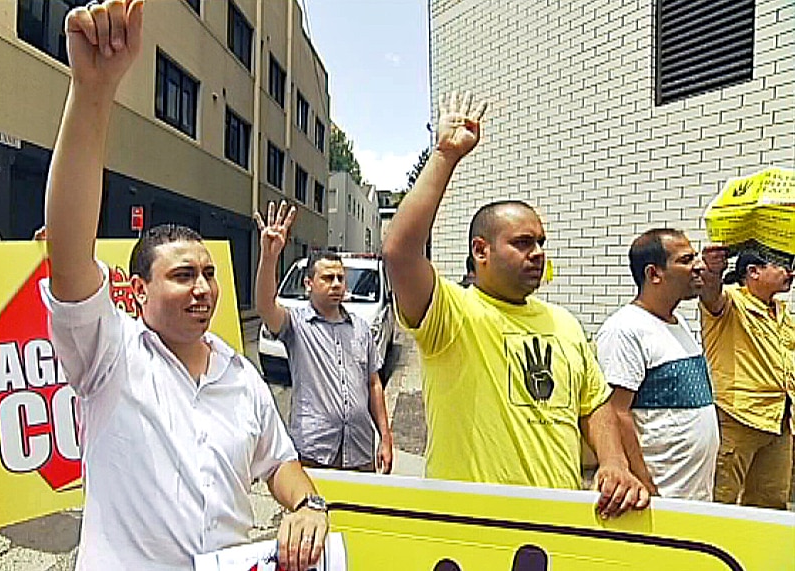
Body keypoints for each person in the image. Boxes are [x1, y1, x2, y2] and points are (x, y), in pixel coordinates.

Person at [41, 2, 327, 569]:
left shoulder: (240, 376)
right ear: (138, 291)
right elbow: (70, 254)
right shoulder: (108, 355)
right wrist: (93, 90)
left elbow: (279, 463)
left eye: (208, 274)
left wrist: (308, 504)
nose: (203, 288)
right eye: (181, 275)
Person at [382, 91, 649, 519]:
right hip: (473, 527)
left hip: (560, 525)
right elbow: (399, 251)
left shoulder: (564, 324)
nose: (538, 252)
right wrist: (446, 157)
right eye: (523, 243)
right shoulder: (451, 314)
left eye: (541, 242)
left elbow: (594, 403)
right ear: (481, 251)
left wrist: (613, 462)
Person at [254, 202, 393, 473]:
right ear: (309, 284)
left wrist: (385, 436)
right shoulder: (296, 325)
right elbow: (264, 306)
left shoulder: (360, 328)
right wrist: (269, 258)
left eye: (341, 278)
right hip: (314, 452)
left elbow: (374, 383)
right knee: (314, 515)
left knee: (356, 516)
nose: (337, 284)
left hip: (360, 450)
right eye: (327, 278)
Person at [596, 229, 719, 500]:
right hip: (660, 497)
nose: (698, 266)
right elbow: (616, 413)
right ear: (654, 274)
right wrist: (645, 485)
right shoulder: (625, 330)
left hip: (693, 496)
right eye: (686, 260)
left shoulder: (679, 324)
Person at [700, 246, 795, 509]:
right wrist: (712, 270)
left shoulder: (781, 312)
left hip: (779, 421)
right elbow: (710, 295)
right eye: (781, 265)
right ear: (753, 272)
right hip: (738, 418)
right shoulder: (731, 302)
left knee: (771, 503)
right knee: (720, 499)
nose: (789, 272)